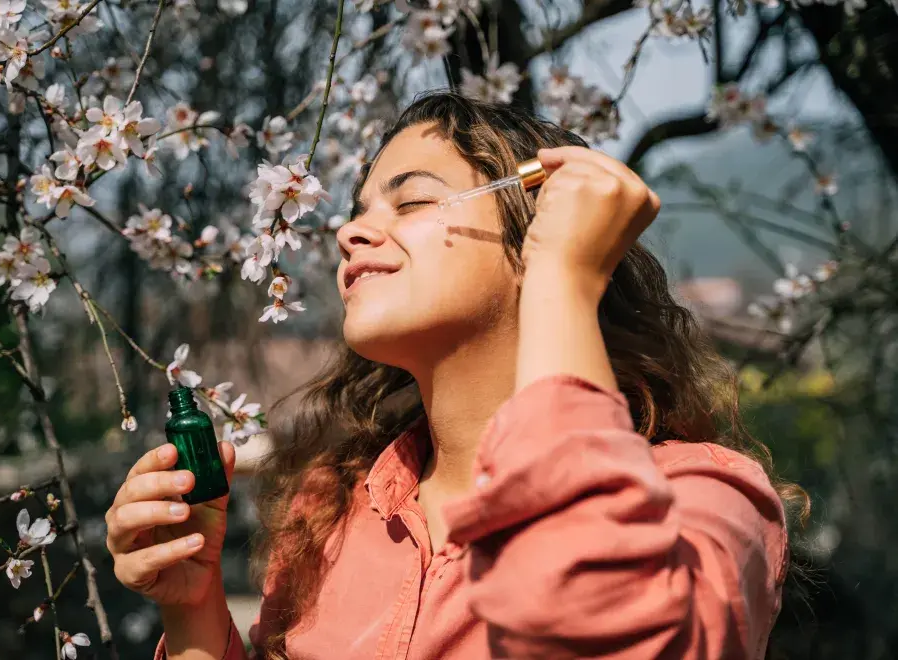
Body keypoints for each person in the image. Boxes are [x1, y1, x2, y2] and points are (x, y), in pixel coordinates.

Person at [105, 91, 807, 660]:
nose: (351, 232)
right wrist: (193, 611)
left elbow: (597, 614)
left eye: (410, 203)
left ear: (538, 233)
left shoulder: (704, 500)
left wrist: (563, 279)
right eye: (357, 212)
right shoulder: (330, 515)